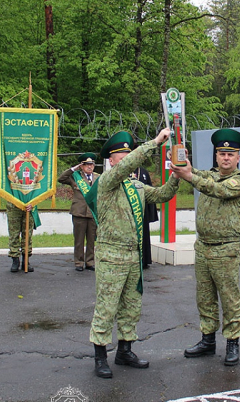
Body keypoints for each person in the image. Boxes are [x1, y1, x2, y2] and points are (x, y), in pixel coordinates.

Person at [89, 129, 180, 379]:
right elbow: (128, 166)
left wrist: (176, 175)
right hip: (110, 255)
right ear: (111, 160)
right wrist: (155, 142)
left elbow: (163, 195)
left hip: (132, 256)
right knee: (107, 306)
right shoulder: (106, 182)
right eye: (122, 155)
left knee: (131, 306)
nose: (128, 159)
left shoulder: (136, 186)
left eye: (129, 154)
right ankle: (99, 356)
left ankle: (125, 351)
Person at [171, 128, 240, 366]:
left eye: (230, 154)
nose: (226, 158)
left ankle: (232, 342)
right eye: (222, 153)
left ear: (238, 158)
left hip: (225, 249)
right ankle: (207, 340)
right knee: (204, 297)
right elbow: (198, 174)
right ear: (216, 156)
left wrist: (189, 175)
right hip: (203, 247)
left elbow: (216, 189)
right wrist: (183, 162)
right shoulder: (209, 175)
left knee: (229, 298)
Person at [58, 153, 99, 271]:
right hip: (79, 212)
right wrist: (73, 169)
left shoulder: (98, 178)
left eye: (91, 164)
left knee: (91, 239)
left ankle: (90, 262)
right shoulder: (76, 177)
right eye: (86, 165)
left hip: (92, 213)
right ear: (81, 166)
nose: (89, 167)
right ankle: (79, 262)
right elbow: (61, 178)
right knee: (79, 239)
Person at [130, 167, 159, 269]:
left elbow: (150, 191)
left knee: (144, 234)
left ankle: (144, 259)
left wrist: (152, 213)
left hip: (143, 209)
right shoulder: (124, 171)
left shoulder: (143, 172)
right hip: (129, 209)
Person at [6, 201, 36, 272]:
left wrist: (33, 203)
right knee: (14, 235)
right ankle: (15, 260)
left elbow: (36, 191)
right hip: (13, 205)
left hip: (29, 206)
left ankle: (26, 261)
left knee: (27, 236)